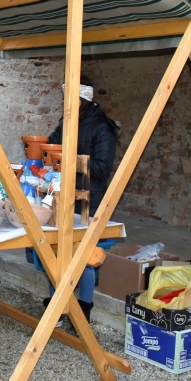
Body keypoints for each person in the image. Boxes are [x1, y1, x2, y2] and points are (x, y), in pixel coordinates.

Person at [45, 75, 119, 328]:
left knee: (84, 257)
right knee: (57, 253)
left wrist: (68, 159)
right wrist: (45, 152)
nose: (67, 102)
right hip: (64, 196)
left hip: (90, 200)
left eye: (72, 98)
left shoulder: (102, 127)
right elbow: (51, 146)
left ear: (84, 98)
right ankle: (57, 305)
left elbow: (101, 168)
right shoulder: (67, 121)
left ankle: (83, 311)